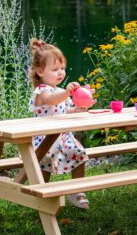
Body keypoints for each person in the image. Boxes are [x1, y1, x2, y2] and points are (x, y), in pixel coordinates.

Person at [28, 38, 90, 209]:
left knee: (79, 153)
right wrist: (67, 92)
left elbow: (64, 109)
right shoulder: (42, 91)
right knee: (44, 164)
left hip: (62, 136)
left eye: (62, 68)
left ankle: (77, 191)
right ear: (40, 71)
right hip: (45, 139)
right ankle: (42, 194)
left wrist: (77, 109)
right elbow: (51, 101)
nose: (60, 72)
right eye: (55, 69)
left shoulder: (58, 91)